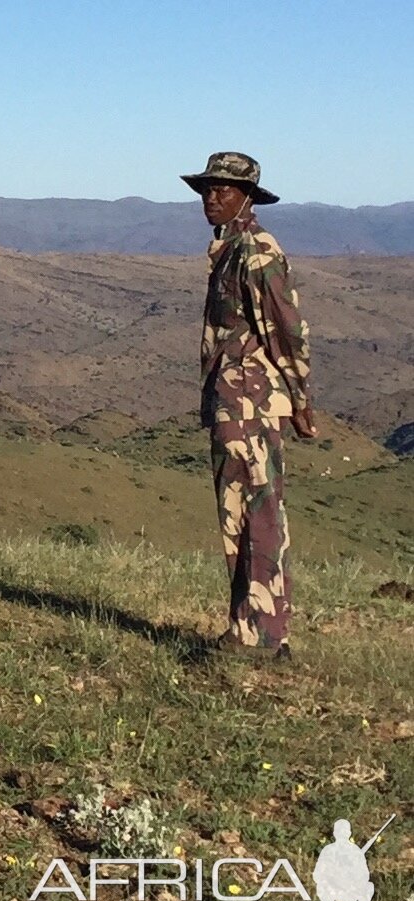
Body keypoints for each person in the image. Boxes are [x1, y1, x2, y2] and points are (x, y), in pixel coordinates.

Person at [184, 151, 315, 661]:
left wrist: (301, 398)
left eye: (223, 190)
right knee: (243, 514)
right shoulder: (232, 248)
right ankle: (256, 630)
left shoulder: (257, 252)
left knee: (254, 513)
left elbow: (287, 331)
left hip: (248, 405)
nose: (212, 198)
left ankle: (258, 636)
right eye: (206, 190)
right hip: (234, 402)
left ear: (247, 197)